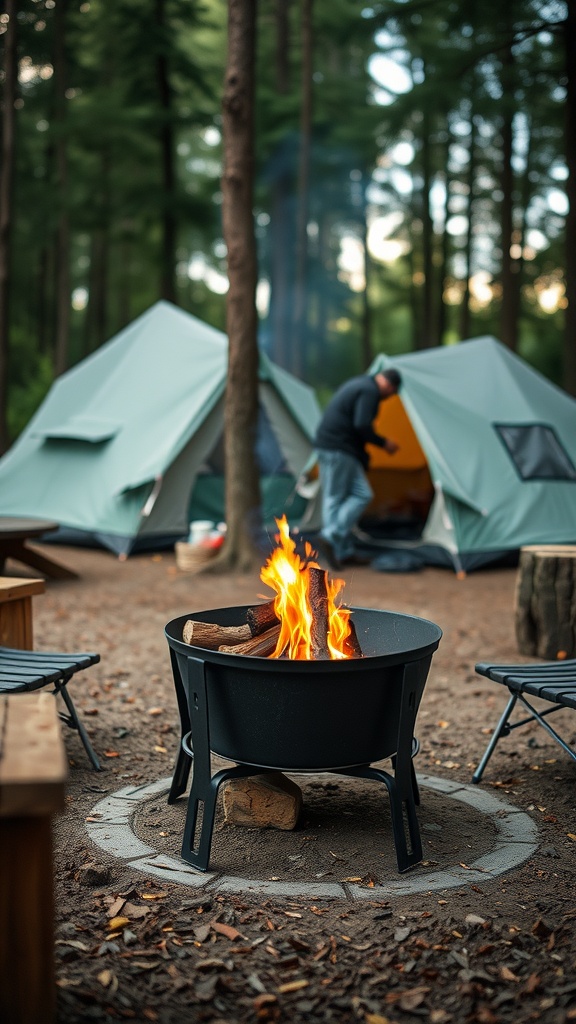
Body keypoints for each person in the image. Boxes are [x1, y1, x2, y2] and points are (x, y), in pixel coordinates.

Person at [313, 368, 402, 569]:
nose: (388, 398)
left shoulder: (359, 382)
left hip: (331, 446)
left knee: (337, 497)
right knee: (353, 496)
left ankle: (342, 552)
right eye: (392, 394)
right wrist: (383, 443)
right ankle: (331, 536)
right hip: (339, 449)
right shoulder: (370, 391)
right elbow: (362, 424)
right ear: (390, 386)